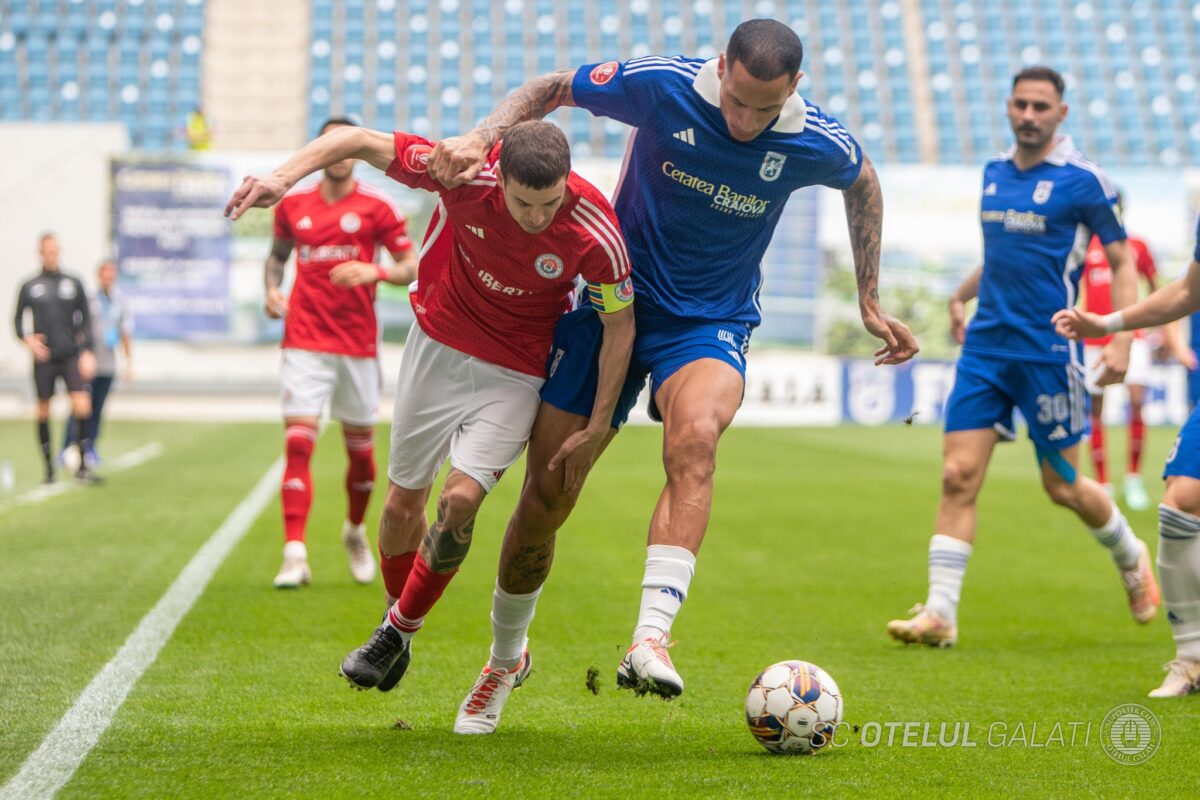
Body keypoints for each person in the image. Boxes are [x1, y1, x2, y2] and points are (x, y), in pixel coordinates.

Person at [427, 18, 918, 726]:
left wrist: (869, 297)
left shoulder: (816, 140)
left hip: (708, 322)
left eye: (765, 107)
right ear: (722, 67)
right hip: (608, 303)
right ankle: (506, 662)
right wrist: (483, 135)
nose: (745, 121)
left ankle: (650, 639)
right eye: (737, 100)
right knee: (547, 497)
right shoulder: (662, 85)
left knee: (696, 441)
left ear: (795, 89)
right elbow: (553, 87)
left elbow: (862, 180)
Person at [225, 120, 635, 715]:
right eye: (523, 202)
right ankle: (400, 622)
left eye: (549, 203)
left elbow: (621, 326)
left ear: (567, 183)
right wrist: (281, 179)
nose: (537, 216)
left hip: (516, 370)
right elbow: (359, 141)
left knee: (461, 501)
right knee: (399, 509)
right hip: (435, 347)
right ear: (503, 178)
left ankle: (396, 631)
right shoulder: (465, 172)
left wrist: (597, 426)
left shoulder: (595, 228)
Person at [886, 66, 1159, 649]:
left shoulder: (1086, 181)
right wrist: (961, 294)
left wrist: (1121, 338)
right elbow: (1004, 257)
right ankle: (940, 613)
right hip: (985, 350)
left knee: (1061, 484)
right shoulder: (994, 174)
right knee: (958, 475)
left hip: (1048, 352)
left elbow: (1123, 260)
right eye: (1021, 105)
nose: (1029, 115)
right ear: (1008, 108)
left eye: (1041, 106)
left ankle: (1130, 553)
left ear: (1061, 113)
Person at [261, 117, 418, 589]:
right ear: (320, 150)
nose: (340, 152)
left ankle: (353, 530)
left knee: (362, 455)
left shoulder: (378, 207)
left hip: (356, 343)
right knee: (298, 442)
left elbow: (411, 264)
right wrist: (271, 289)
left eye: (346, 143)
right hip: (304, 339)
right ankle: (294, 554)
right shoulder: (293, 206)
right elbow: (277, 256)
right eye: (329, 143)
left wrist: (375, 274)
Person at [1053, 213, 1200, 697]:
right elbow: (1185, 292)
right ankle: (1192, 660)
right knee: (1180, 502)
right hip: (1105, 337)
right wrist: (1110, 321)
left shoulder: (1135, 245)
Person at [1080, 197, 1193, 510]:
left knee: (1137, 402)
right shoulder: (1087, 248)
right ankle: (1102, 481)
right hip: (1095, 339)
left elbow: (1158, 292)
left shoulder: (1138, 246)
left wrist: (1168, 335)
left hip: (1133, 335)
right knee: (1096, 408)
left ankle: (1133, 479)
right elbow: (1075, 290)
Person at [12, 233, 101, 484]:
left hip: (71, 355)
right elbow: (17, 321)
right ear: (40, 252)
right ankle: (48, 469)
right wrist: (27, 340)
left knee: (82, 405)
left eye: (54, 250)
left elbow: (86, 320)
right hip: (45, 358)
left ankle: (83, 465)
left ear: (58, 251)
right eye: (46, 250)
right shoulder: (30, 286)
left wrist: (88, 352)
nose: (51, 254)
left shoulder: (72, 283)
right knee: (43, 410)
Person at [59, 259, 133, 466]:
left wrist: (128, 361)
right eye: (105, 273)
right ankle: (66, 446)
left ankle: (89, 447)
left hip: (108, 364)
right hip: (88, 363)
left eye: (112, 273)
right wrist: (81, 355)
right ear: (99, 275)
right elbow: (77, 328)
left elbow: (125, 332)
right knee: (80, 407)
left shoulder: (120, 301)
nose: (108, 277)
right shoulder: (89, 299)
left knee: (97, 409)